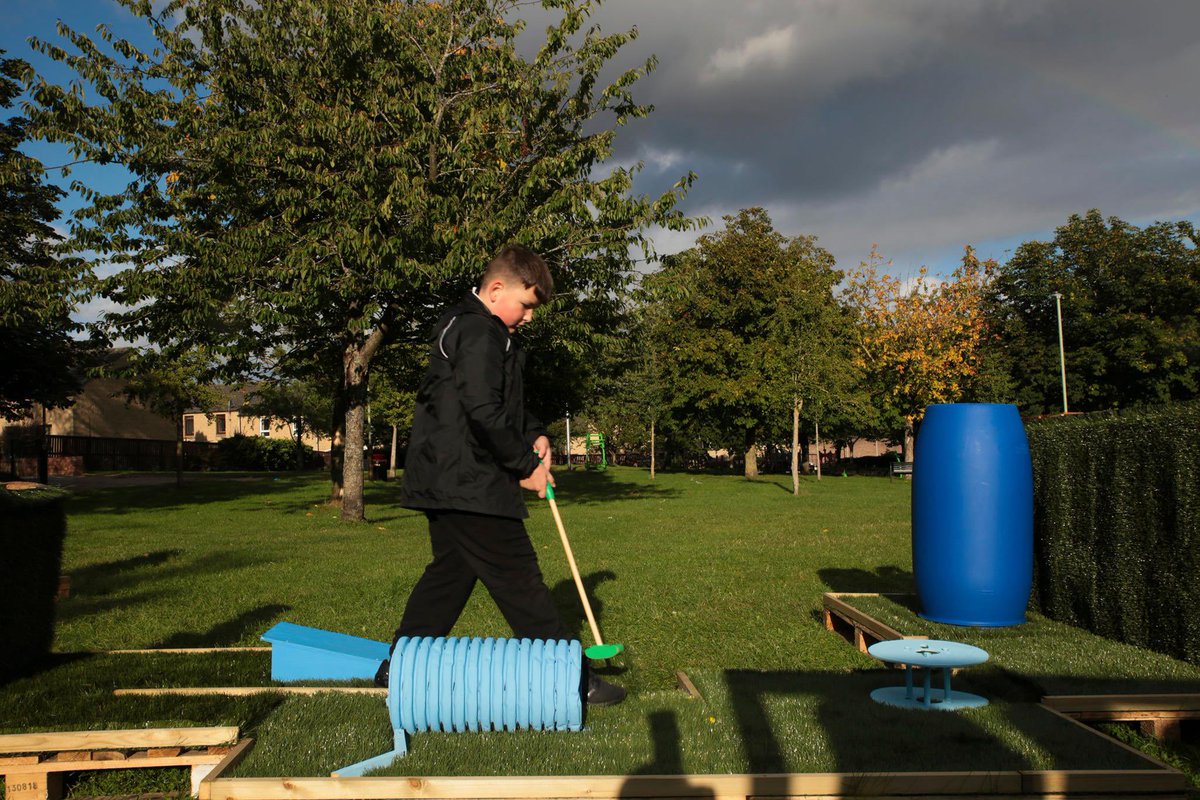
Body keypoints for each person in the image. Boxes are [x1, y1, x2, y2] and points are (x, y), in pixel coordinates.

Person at [374, 244, 625, 706]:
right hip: (467, 480)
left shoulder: (482, 330)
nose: (528, 317)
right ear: (495, 289)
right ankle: (572, 679)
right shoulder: (477, 331)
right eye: (526, 305)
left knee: (449, 576)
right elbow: (482, 410)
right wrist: (526, 468)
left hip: (450, 479)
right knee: (520, 580)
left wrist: (534, 433)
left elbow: (499, 401)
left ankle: (398, 667)